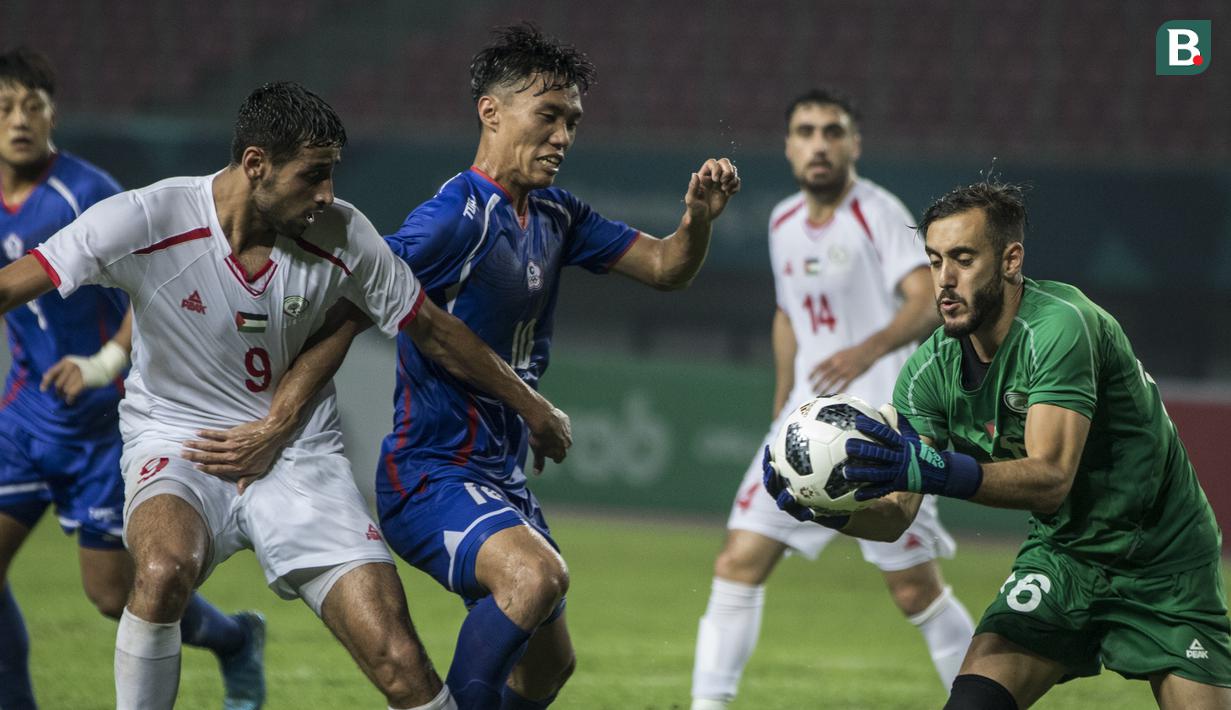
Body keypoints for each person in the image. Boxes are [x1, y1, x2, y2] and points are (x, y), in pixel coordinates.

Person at [0, 80, 572, 710]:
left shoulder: (342, 233)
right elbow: (15, 282)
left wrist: (532, 406)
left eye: (331, 174)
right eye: (313, 175)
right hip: (181, 440)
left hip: (300, 455)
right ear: (255, 164)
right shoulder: (148, 218)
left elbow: (435, 330)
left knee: (401, 662)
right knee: (161, 573)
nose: (327, 193)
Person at [766, 180, 1231, 709]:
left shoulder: (1060, 327)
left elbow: (1052, 479)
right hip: (1065, 557)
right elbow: (897, 515)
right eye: (935, 259)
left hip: (1163, 557)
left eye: (963, 258)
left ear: (1011, 260)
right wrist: (822, 509)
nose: (944, 279)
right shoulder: (926, 373)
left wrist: (932, 469)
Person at [690, 88, 974, 709]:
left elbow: (926, 298)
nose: (819, 143)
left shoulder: (877, 211)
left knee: (914, 591)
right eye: (806, 131)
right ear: (789, 147)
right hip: (799, 428)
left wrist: (865, 351)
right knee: (738, 561)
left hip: (882, 426)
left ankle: (988, 698)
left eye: (832, 131)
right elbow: (787, 315)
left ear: (853, 144)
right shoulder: (783, 220)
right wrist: (780, 398)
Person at [0, 47, 264, 710]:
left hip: (100, 424)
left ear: (53, 112)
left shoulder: (86, 194)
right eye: (5, 107)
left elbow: (160, 293)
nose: (20, 119)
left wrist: (103, 363)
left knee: (112, 596)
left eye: (33, 105)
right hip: (26, 410)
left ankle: (233, 638)